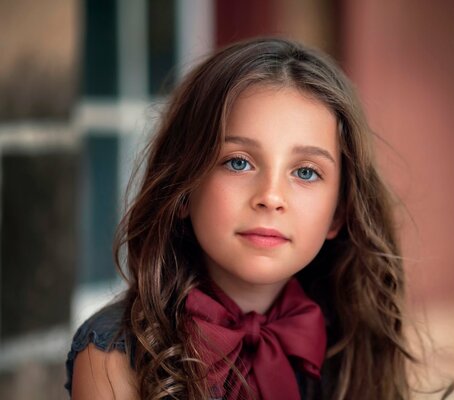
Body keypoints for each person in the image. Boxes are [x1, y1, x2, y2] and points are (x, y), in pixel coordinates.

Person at [65, 37, 417, 400]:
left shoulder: (350, 340)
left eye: (306, 172)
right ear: (184, 188)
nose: (270, 197)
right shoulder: (112, 356)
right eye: (238, 162)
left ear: (338, 213)